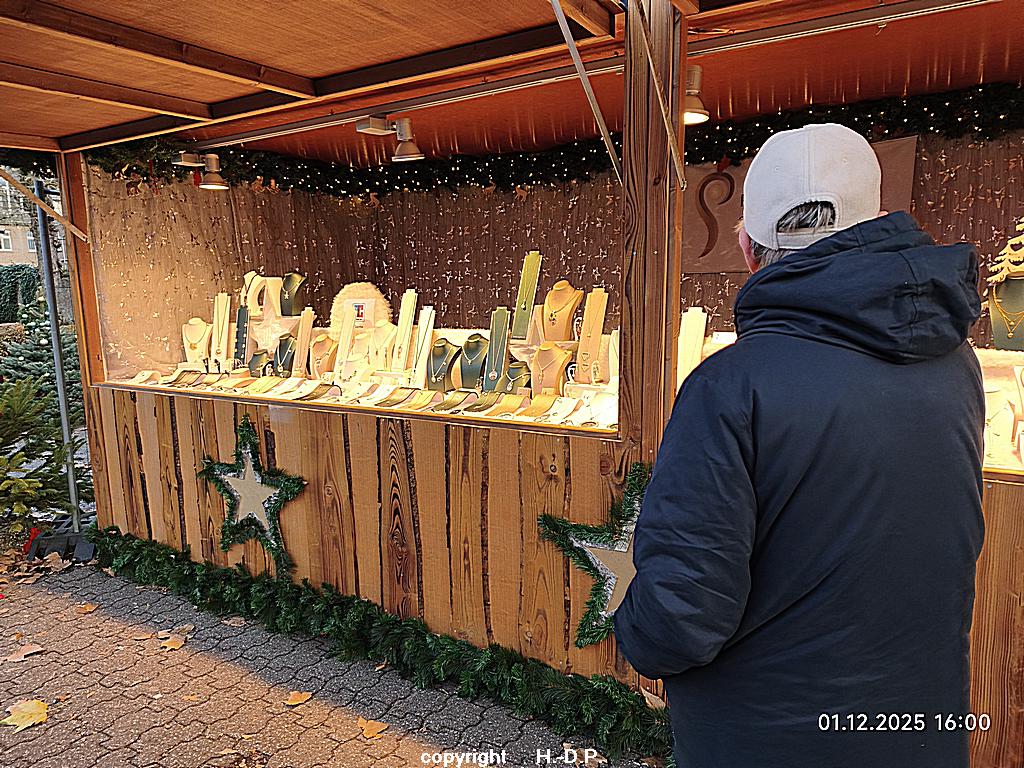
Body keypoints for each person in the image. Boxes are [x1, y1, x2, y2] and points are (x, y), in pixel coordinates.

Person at [613, 123, 984, 768]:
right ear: (878, 223)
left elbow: (680, 618)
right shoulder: (956, 366)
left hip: (764, 739)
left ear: (747, 246)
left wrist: (630, 622)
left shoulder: (729, 386)